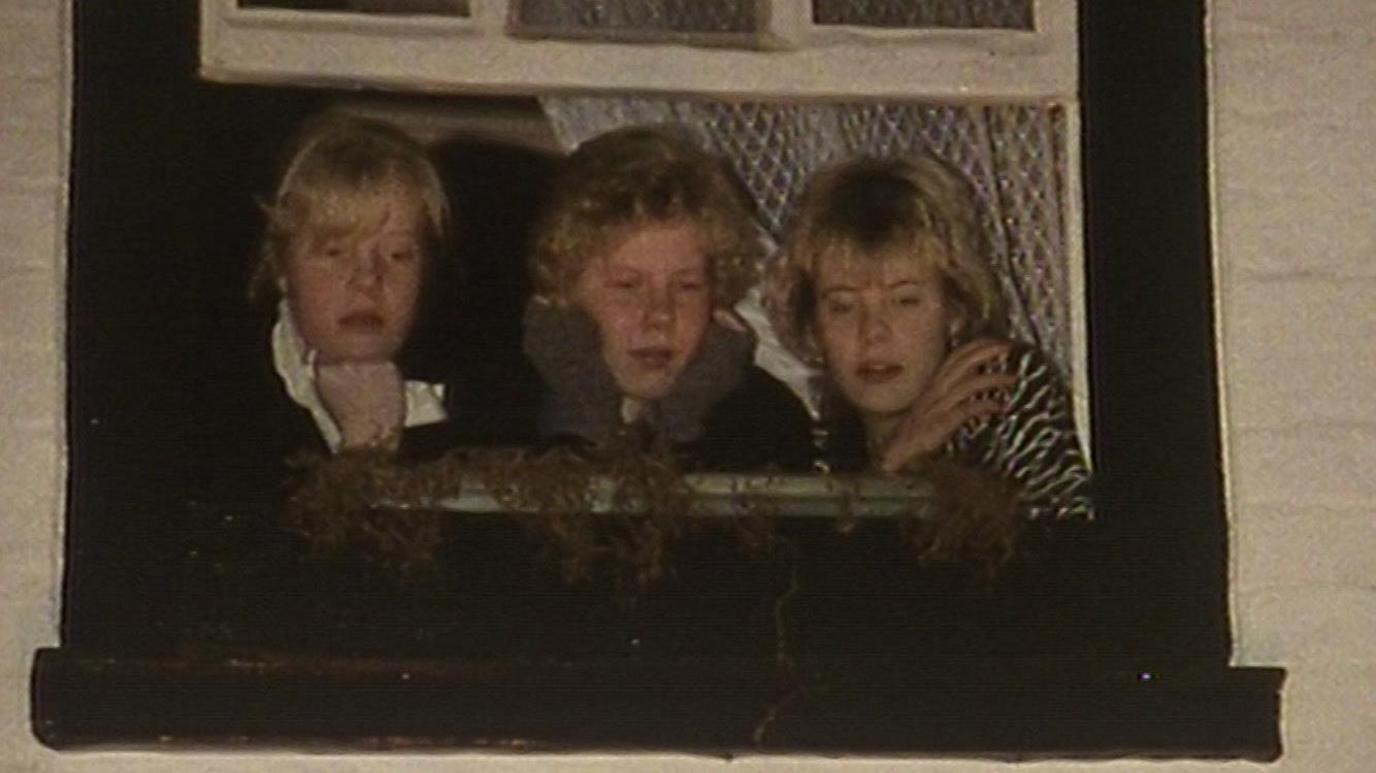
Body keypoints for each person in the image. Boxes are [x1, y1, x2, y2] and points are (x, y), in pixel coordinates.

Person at [772, 153, 1092, 521]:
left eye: (905, 301)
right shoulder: (811, 445)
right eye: (843, 306)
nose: (873, 332)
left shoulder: (998, 388)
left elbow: (1066, 551)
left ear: (955, 310)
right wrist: (893, 466)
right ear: (813, 328)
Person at [521, 126, 813, 471]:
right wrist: (585, 419)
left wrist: (683, 425)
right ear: (563, 290)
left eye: (687, 287)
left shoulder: (765, 421)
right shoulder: (501, 408)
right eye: (628, 286)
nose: (660, 315)